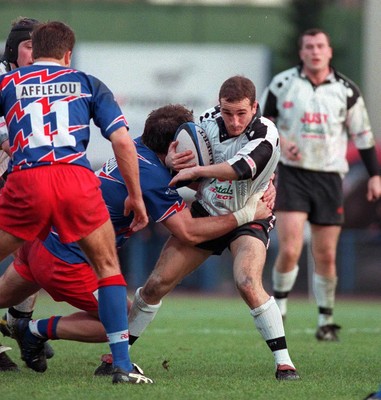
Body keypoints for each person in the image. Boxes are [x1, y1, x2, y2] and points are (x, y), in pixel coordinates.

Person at [0, 104, 271, 374]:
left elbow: (189, 178)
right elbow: (188, 232)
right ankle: (34, 331)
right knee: (124, 320)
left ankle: (25, 328)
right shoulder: (152, 176)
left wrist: (261, 182)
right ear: (177, 145)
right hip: (68, 258)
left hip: (43, 240)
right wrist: (245, 214)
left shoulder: (139, 146)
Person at [112, 75, 300, 381]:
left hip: (250, 215)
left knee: (247, 282)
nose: (234, 121)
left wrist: (199, 169)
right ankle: (117, 357)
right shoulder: (206, 123)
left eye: (241, 113)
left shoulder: (267, 132)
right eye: (227, 113)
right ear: (219, 105)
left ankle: (284, 363)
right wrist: (174, 161)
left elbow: (241, 169)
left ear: (254, 107)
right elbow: (179, 159)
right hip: (207, 211)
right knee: (156, 284)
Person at [0, 21, 152, 385]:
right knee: (107, 267)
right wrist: (135, 194)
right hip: (74, 179)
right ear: (69, 55)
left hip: (27, 179)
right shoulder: (87, 83)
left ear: (32, 51)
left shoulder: (7, 83)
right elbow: (122, 143)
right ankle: (122, 366)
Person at [260, 28, 381, 341]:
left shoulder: (346, 90)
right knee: (290, 247)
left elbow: (364, 136)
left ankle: (326, 321)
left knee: (326, 254)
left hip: (329, 177)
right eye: (309, 46)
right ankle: (280, 310)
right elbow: (262, 123)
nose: (315, 51)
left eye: (320, 46)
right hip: (293, 174)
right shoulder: (283, 84)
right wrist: (282, 142)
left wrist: (375, 175)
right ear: (302, 52)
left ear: (329, 52)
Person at [0, 16, 42, 372]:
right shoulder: (2, 79)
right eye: (29, 45)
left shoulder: (43, 82)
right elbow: (8, 139)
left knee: (36, 250)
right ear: (13, 49)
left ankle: (20, 322)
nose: (35, 52)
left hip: (17, 181)